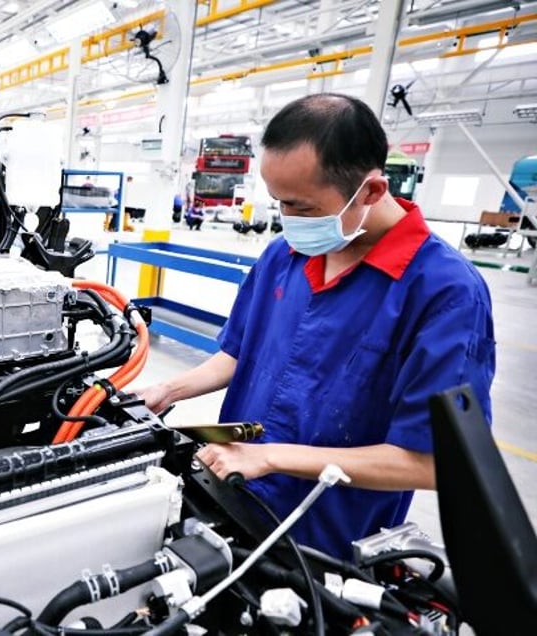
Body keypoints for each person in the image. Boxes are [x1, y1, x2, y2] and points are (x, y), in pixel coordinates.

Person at [138, 93, 495, 560]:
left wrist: (268, 456)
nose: (287, 220)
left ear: (370, 191)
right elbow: (239, 352)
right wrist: (169, 390)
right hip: (230, 501)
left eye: (302, 208)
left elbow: (433, 462)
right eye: (278, 203)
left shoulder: (444, 292)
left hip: (328, 542)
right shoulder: (282, 256)